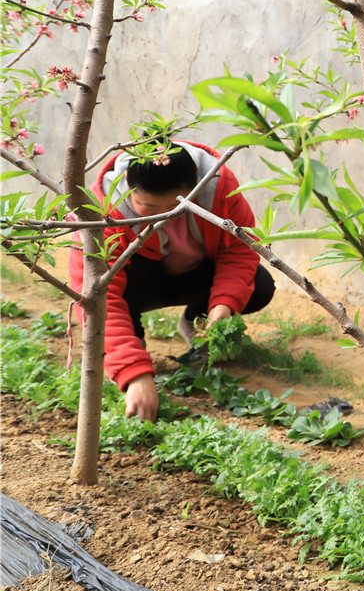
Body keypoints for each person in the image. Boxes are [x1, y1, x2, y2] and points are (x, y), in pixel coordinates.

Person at [68, 141, 275, 422]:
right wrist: (133, 372)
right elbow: (97, 295)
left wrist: (222, 306)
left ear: (195, 189)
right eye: (149, 205)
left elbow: (239, 251)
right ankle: (133, 348)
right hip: (141, 283)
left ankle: (197, 322)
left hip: (193, 274)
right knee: (107, 286)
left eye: (178, 205)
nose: (166, 215)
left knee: (259, 286)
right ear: (129, 190)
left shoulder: (219, 188)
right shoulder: (101, 211)